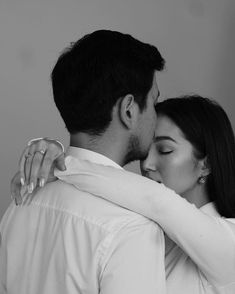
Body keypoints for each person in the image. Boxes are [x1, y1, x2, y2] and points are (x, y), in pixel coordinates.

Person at [0, 30, 167, 293]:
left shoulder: (21, 203)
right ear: (129, 110)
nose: (156, 119)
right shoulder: (133, 227)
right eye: (154, 103)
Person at [14, 95, 235, 294]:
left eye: (165, 150)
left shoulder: (229, 243)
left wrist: (62, 164)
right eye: (147, 150)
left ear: (205, 165)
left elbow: (156, 201)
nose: (147, 164)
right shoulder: (141, 227)